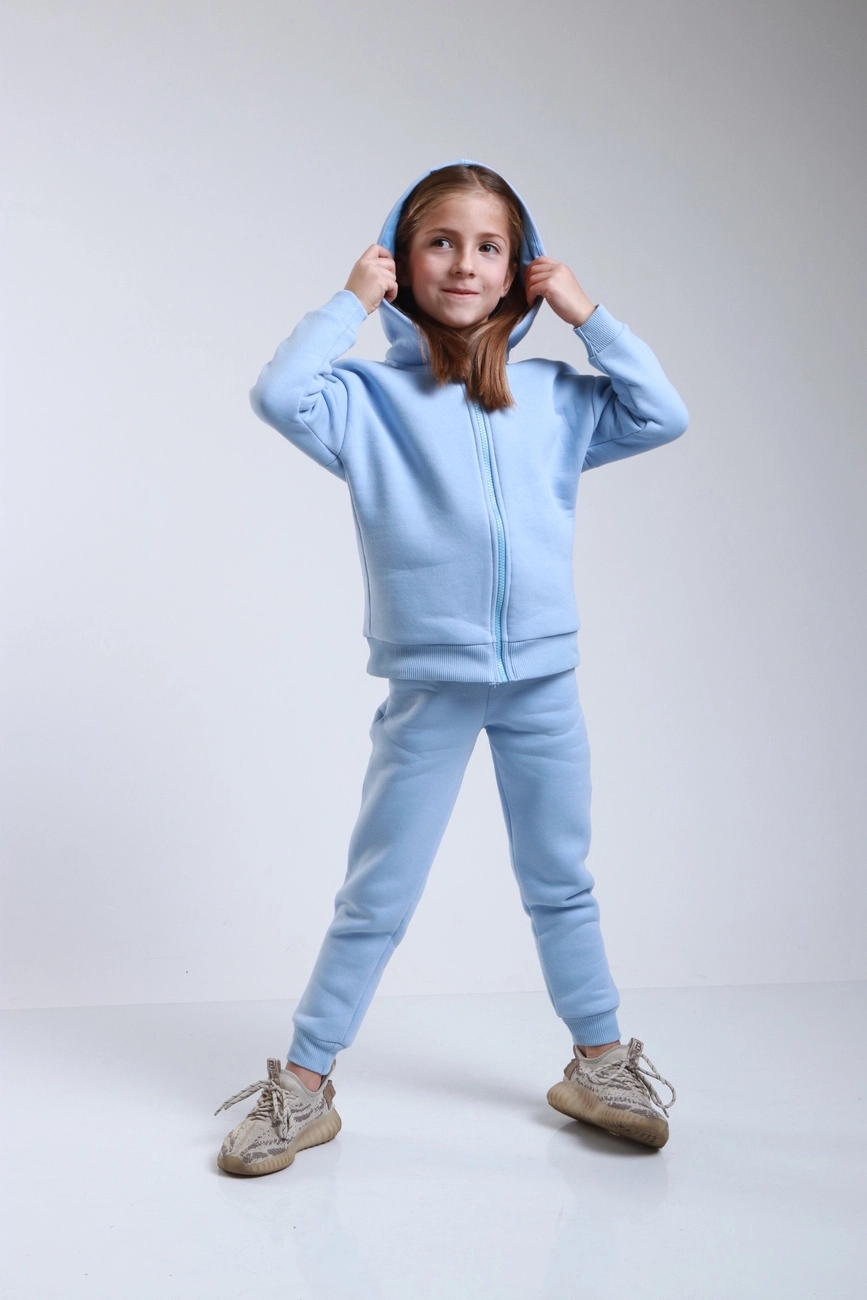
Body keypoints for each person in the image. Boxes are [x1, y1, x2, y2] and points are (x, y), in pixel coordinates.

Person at [215, 159, 686, 1176]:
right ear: (401, 258)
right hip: (430, 683)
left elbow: (663, 412)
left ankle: (599, 1064)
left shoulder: (557, 395)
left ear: (519, 268)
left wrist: (588, 315)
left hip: (543, 683)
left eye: (488, 247)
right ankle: (304, 1084)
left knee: (560, 879)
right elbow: (276, 393)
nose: (464, 264)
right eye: (440, 242)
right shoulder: (363, 400)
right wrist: (349, 302)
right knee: (377, 892)